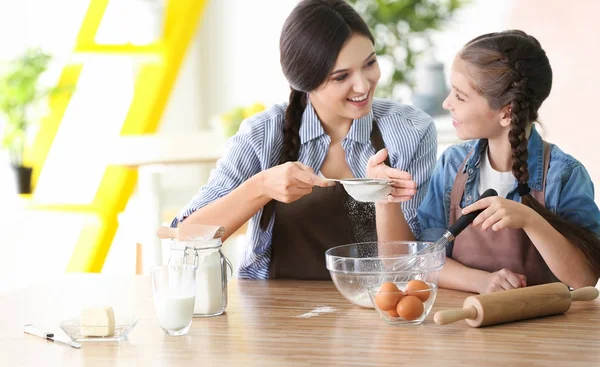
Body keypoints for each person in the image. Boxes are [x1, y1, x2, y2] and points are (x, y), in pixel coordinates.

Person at [172, 0, 437, 280]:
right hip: (274, 311)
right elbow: (187, 236)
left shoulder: (410, 130)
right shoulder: (263, 133)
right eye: (341, 76)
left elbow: (410, 267)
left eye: (370, 63)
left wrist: (386, 199)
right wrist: (261, 187)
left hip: (375, 308)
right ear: (305, 80)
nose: (363, 85)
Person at [418, 30, 600, 293]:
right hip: (465, 323)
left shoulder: (564, 176)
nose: (447, 103)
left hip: (543, 329)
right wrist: (482, 281)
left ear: (507, 113)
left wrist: (530, 219)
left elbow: (585, 278)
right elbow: (426, 258)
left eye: (460, 95)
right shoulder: (451, 165)